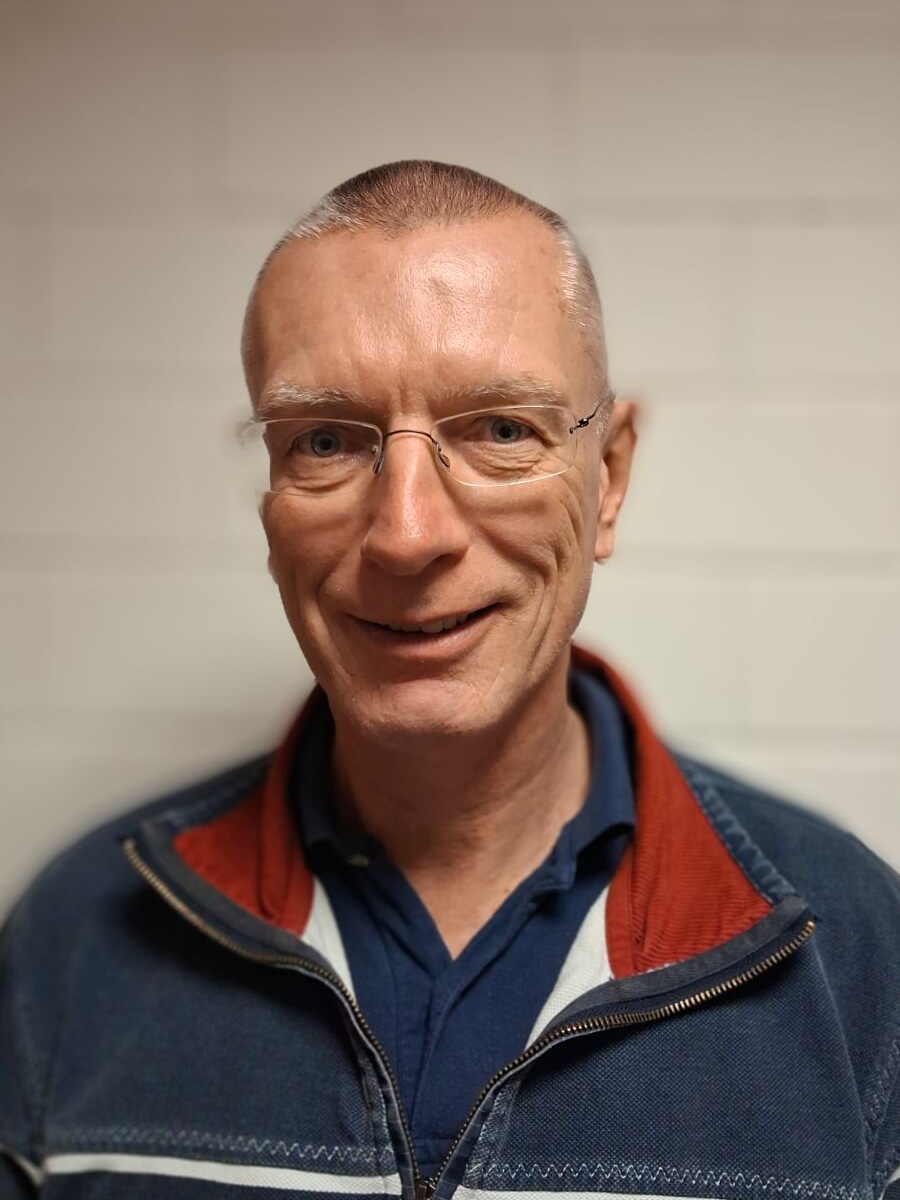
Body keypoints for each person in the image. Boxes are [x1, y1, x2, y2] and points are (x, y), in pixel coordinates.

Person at [1, 160, 899, 1200]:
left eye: (502, 430)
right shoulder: (79, 936)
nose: (407, 533)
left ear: (609, 478)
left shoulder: (848, 949)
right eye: (326, 441)